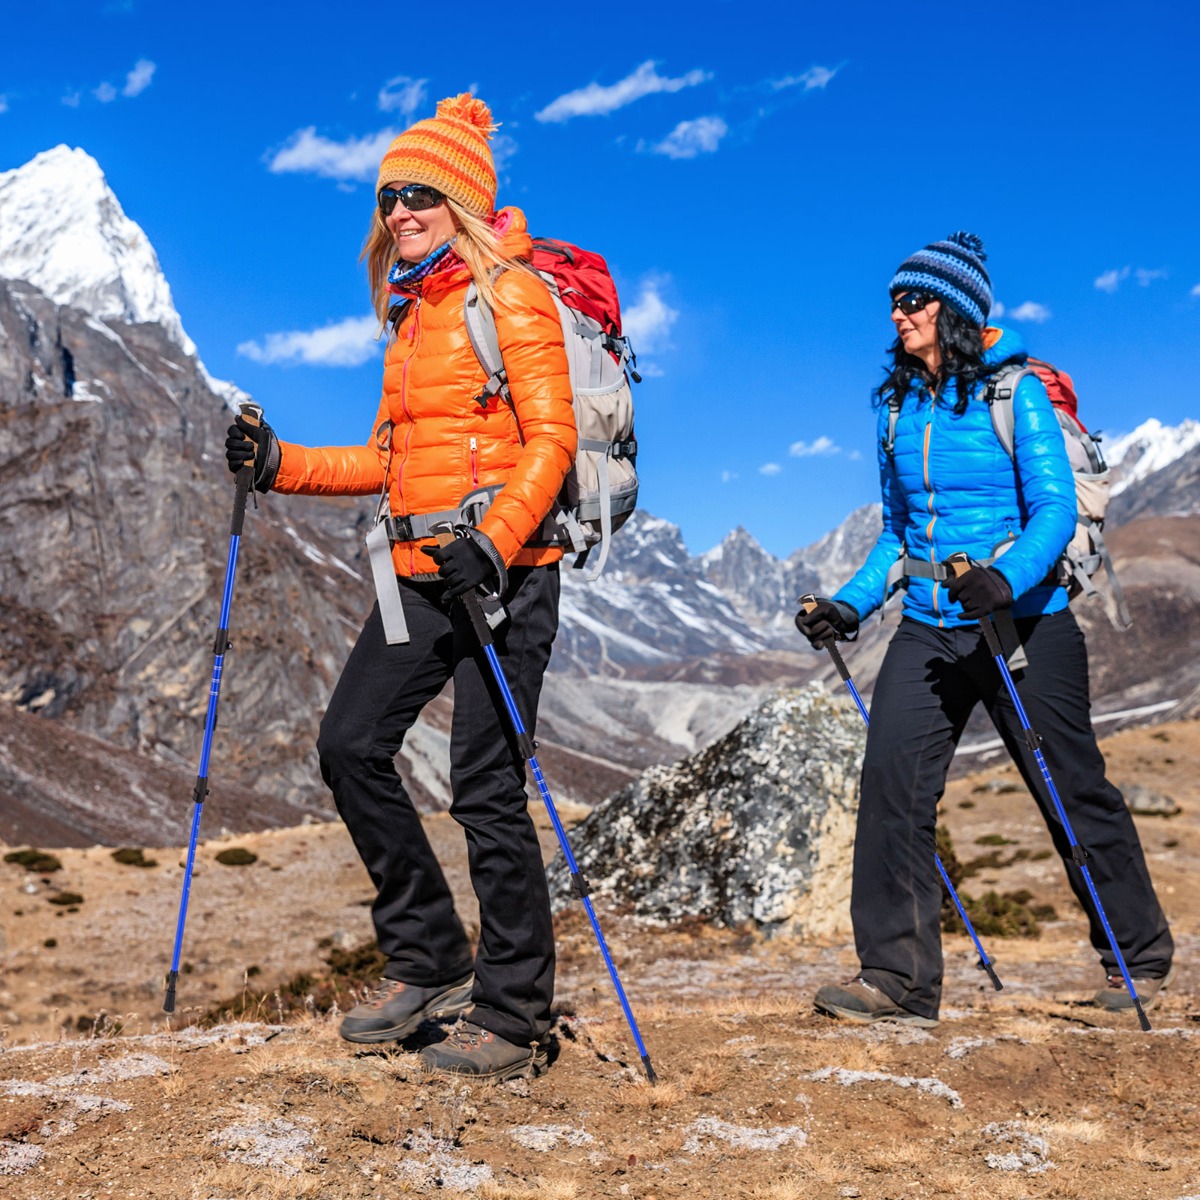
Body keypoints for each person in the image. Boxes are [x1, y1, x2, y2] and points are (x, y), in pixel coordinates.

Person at [225, 94, 576, 1079]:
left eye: (418, 193)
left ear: (459, 198)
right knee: (349, 746)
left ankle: (513, 1016)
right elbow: (386, 459)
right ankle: (428, 958)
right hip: (416, 575)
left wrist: (497, 542)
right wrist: (279, 463)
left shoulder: (511, 296)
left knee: (485, 791)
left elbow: (553, 440)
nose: (399, 211)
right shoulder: (412, 318)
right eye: (387, 197)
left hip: (509, 578)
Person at [795, 231, 1174, 1027]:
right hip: (930, 628)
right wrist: (850, 604)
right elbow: (899, 533)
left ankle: (1133, 957)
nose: (899, 313)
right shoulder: (897, 406)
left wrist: (1004, 577)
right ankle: (897, 980)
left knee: (1069, 788)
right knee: (893, 789)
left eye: (916, 300)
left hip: (1023, 623)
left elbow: (1054, 508)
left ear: (956, 310)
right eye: (895, 300)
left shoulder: (1014, 393)